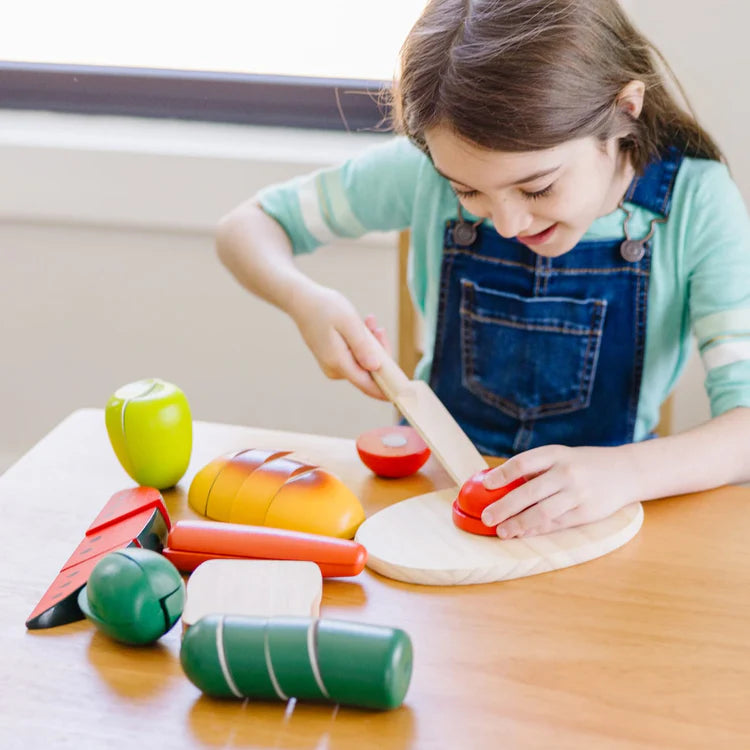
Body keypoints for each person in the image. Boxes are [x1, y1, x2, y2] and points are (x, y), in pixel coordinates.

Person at [216, 0, 750, 540]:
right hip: (432, 505)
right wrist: (306, 301)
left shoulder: (696, 204)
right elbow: (247, 226)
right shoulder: (423, 172)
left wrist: (627, 473)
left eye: (538, 187)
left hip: (595, 523)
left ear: (625, 110)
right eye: (467, 190)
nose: (510, 221)